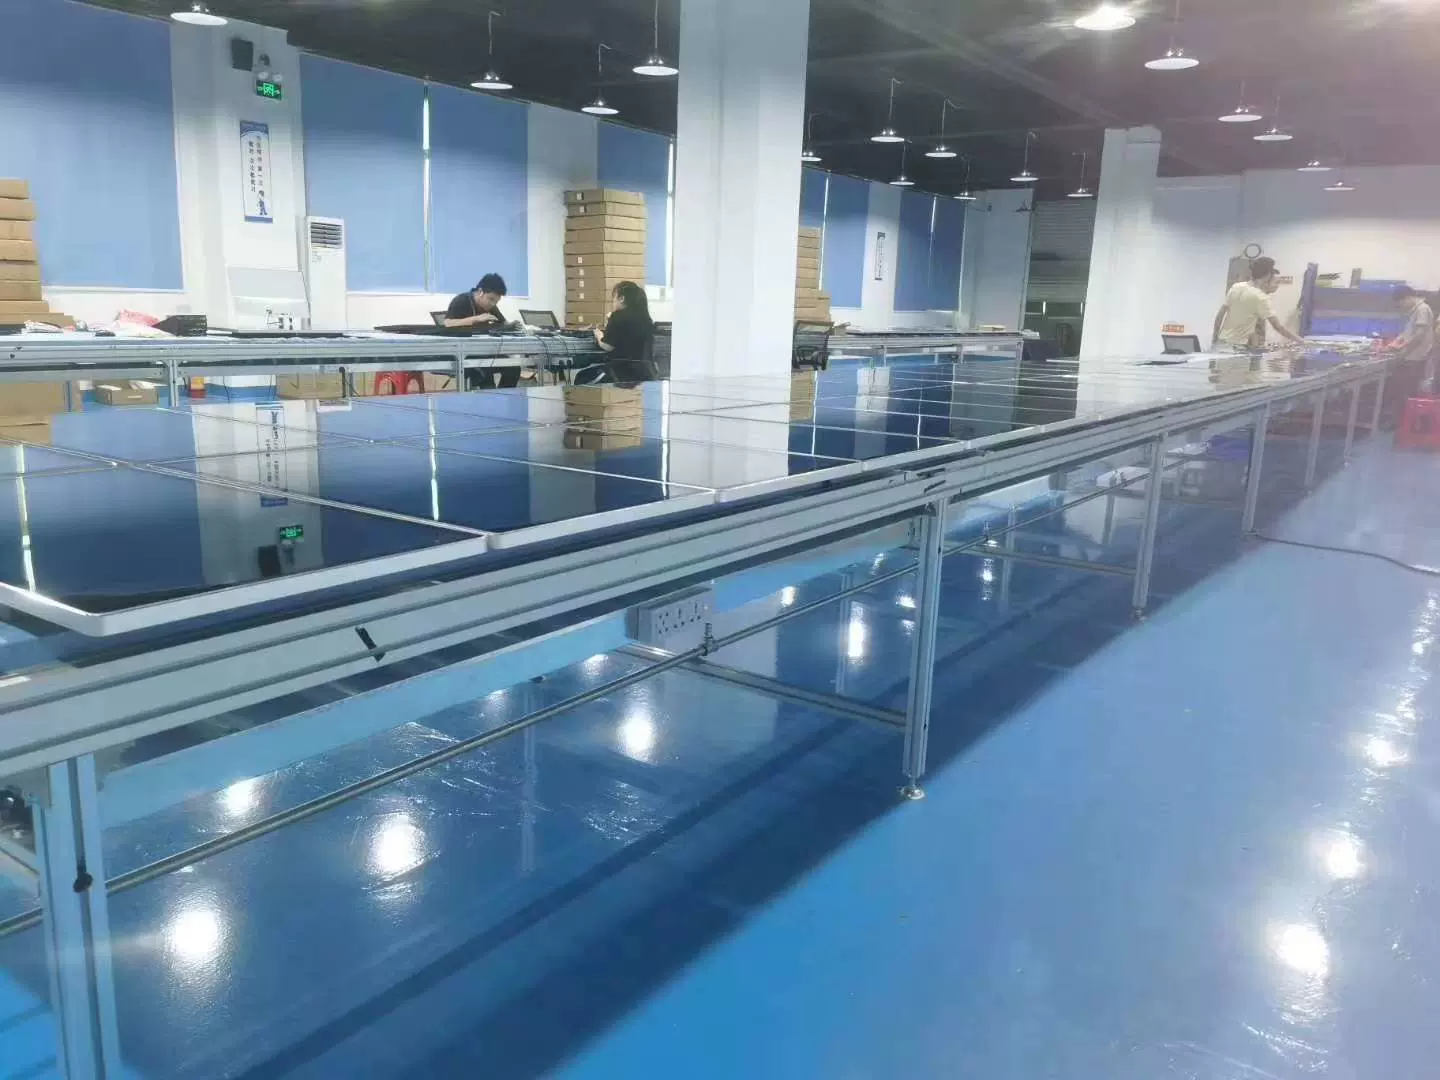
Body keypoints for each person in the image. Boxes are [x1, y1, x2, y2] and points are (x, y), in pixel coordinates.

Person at [445, 272, 521, 389]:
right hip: (464, 355)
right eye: (490, 299)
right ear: (481, 291)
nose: (492, 304)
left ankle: (503, 396)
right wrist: (476, 319)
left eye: (496, 301)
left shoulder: (491, 306)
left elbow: (503, 324)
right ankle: (490, 397)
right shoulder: (461, 300)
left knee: (514, 368)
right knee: (485, 373)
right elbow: (448, 323)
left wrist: (512, 326)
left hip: (486, 352)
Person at [1212, 256, 1305, 350]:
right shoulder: (1260, 297)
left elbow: (1220, 314)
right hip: (1237, 346)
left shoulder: (1236, 287)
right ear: (1268, 275)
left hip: (1222, 342)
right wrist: (1301, 341)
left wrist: (1214, 338)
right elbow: (1278, 326)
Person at [590, 280, 656, 381]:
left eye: (614, 299)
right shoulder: (647, 319)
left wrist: (598, 335)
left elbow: (607, 346)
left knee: (581, 377)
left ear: (621, 299)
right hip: (644, 373)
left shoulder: (617, 316)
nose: (613, 303)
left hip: (620, 371)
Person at [1389, 285, 1436, 389]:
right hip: (1410, 356)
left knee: (1408, 388)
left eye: (1401, 304)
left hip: (1417, 358)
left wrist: (1402, 346)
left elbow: (1420, 334)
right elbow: (1408, 332)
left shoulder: (1422, 309)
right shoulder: (1414, 311)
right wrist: (1396, 341)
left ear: (1407, 297)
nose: (1402, 307)